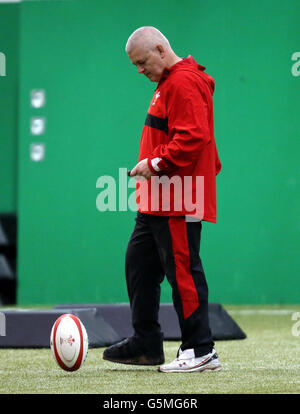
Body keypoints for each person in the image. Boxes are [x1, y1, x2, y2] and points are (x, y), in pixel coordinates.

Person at [103, 26, 222, 373]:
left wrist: (153, 163)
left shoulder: (184, 82)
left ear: (159, 48)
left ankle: (200, 350)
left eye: (142, 62)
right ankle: (147, 342)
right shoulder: (169, 83)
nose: (140, 70)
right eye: (135, 66)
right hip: (158, 201)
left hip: (178, 199)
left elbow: (193, 137)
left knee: (182, 271)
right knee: (139, 264)